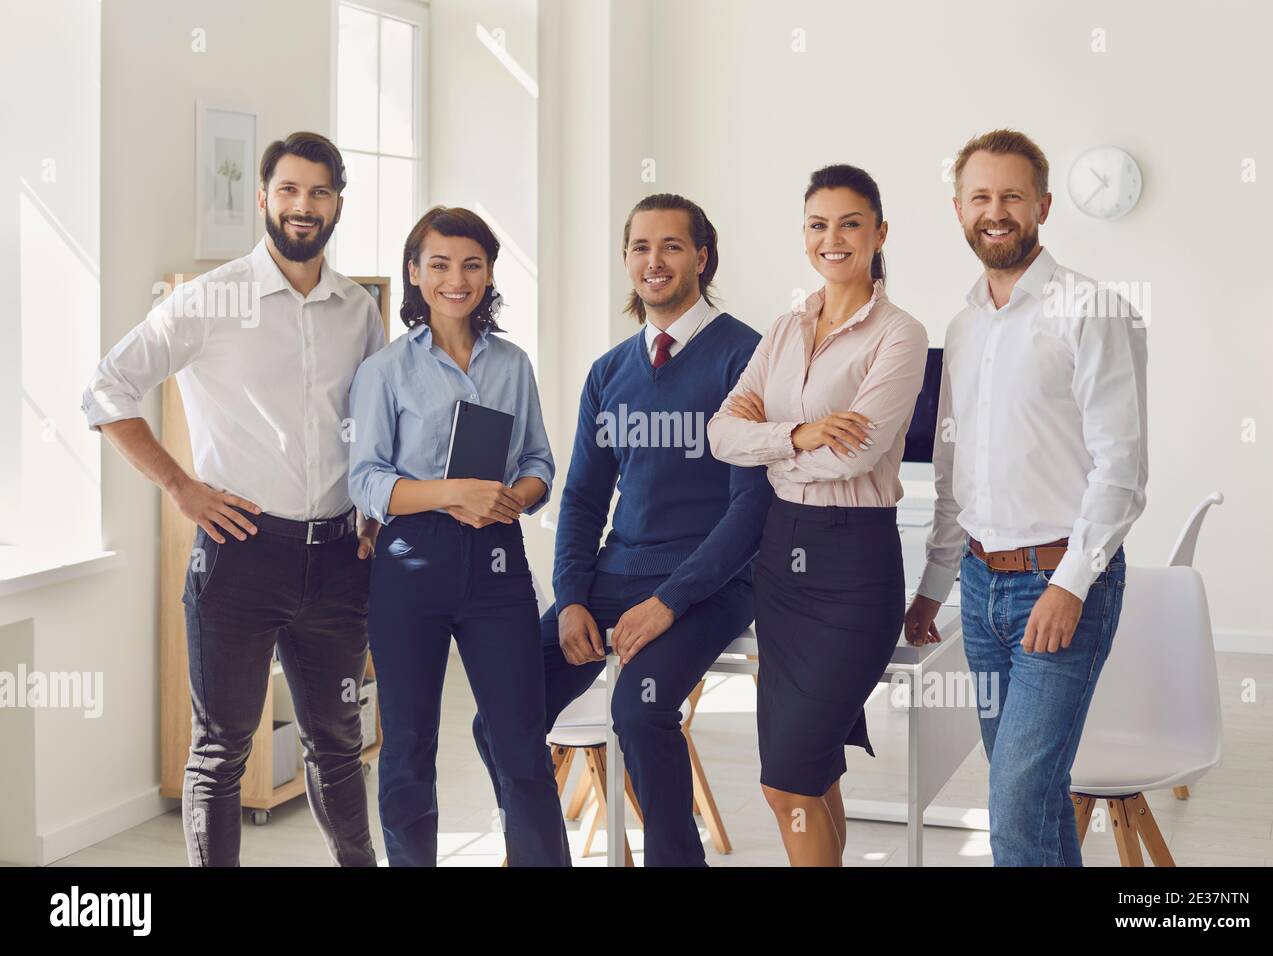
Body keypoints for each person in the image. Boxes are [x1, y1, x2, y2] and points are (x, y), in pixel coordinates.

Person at [80, 131, 382, 866]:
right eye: (288, 190)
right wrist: (181, 487)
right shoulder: (210, 300)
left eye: (317, 192)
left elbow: (377, 422)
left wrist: (373, 503)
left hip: (342, 560)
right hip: (241, 560)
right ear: (263, 198)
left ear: (338, 202)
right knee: (220, 752)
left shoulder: (358, 310)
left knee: (339, 746)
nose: (302, 207)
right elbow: (104, 391)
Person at [473, 193, 772, 867]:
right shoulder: (610, 373)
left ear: (701, 257)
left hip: (713, 583)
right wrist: (573, 594)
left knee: (639, 712)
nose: (654, 261)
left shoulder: (745, 357)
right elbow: (581, 497)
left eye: (671, 246)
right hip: (614, 577)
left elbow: (751, 511)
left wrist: (669, 602)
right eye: (640, 247)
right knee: (497, 716)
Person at [905, 129, 1148, 866]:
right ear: (958, 210)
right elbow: (955, 473)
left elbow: (1123, 468)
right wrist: (933, 586)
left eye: (1012, 195)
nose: (996, 211)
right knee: (1030, 796)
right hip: (980, 588)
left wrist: (1071, 583)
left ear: (1042, 205)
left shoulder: (1090, 310)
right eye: (981, 197)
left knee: (1014, 800)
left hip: (1060, 586)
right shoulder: (962, 326)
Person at [709, 164, 929, 866]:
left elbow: (854, 458)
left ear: (879, 233)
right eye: (817, 224)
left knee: (787, 782)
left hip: (854, 565)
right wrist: (802, 434)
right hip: (782, 559)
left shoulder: (900, 333)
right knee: (813, 773)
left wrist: (769, 441)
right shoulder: (783, 327)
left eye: (849, 223)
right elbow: (720, 435)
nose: (831, 238)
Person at [348, 205, 569, 866]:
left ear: (489, 272)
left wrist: (511, 498)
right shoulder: (385, 370)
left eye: (471, 264)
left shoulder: (512, 363)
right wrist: (452, 494)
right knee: (410, 745)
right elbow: (365, 481)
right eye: (439, 263)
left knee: (521, 742)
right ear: (415, 274)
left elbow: (539, 463)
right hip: (411, 564)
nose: (456, 278)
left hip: (497, 565)